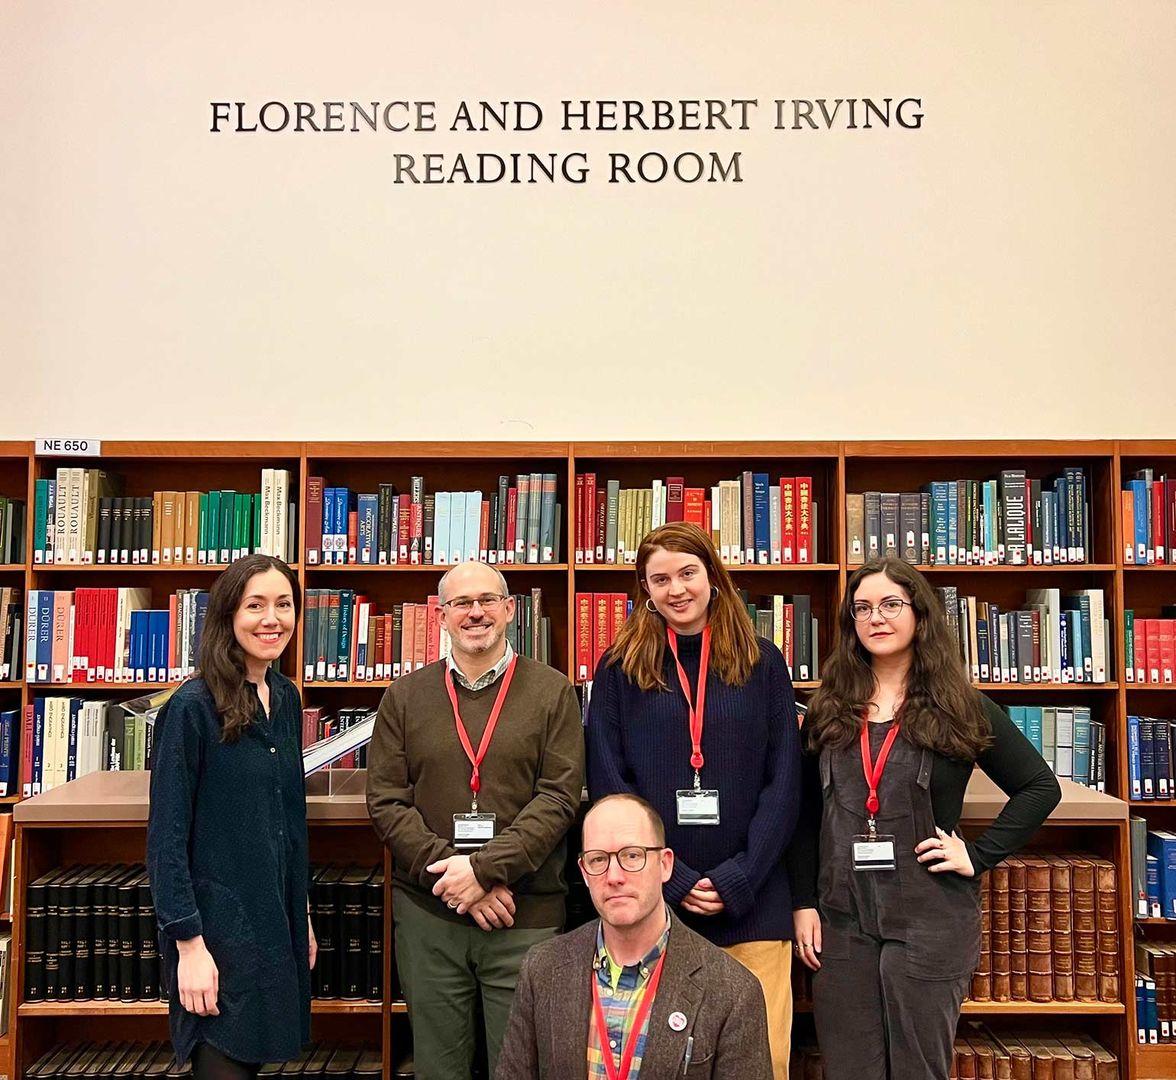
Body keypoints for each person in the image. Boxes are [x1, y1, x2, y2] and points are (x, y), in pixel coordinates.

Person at [788, 557, 1062, 1080]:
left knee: (919, 1069)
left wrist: (977, 856)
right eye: (862, 608)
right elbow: (805, 816)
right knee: (850, 1069)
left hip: (929, 918)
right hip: (841, 920)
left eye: (892, 604)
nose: (876, 618)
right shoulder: (826, 708)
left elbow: (1038, 788)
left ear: (919, 614)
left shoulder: (961, 705)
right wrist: (802, 902)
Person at [585, 521, 802, 1078]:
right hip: (654, 905)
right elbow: (610, 784)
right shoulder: (619, 668)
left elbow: (785, 782)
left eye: (688, 572)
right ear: (645, 588)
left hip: (753, 903)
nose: (676, 588)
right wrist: (670, 878)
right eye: (660, 578)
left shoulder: (763, 661)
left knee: (759, 1060)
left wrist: (740, 877)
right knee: (659, 1061)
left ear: (712, 575)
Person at [366, 561, 584, 1080]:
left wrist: (484, 871)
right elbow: (387, 802)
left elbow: (559, 798)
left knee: (524, 1067)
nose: (476, 612)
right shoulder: (404, 696)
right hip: (431, 917)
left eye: (488, 600)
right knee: (439, 1069)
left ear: (510, 610)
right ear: (441, 616)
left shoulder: (554, 692)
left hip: (524, 916)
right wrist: (456, 875)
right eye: (461, 603)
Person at [147, 555, 313, 1080]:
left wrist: (301, 912)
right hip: (214, 935)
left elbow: (289, 820)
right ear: (227, 616)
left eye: (283, 604)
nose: (272, 619)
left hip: (274, 921)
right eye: (255, 605)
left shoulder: (284, 698)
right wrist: (188, 945)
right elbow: (165, 840)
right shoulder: (192, 707)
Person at [496, 793, 772, 1080]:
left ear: (665, 865)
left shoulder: (733, 991)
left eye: (631, 856)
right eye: (598, 859)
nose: (614, 875)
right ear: (584, 873)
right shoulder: (542, 970)